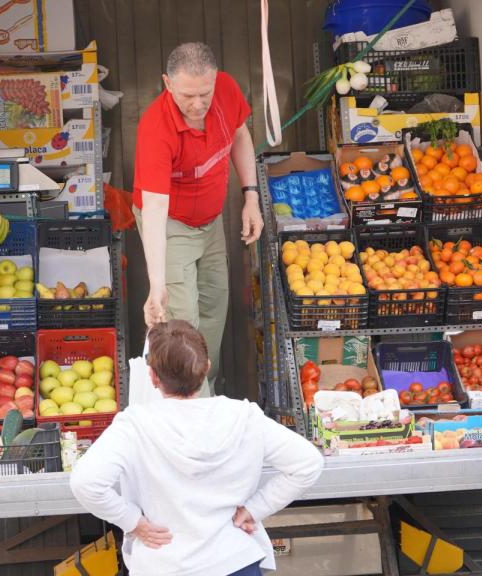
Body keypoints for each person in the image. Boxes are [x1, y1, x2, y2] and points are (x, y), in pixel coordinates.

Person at [70, 320, 324, 576]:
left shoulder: (134, 424)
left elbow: (85, 483)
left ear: (153, 377)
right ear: (206, 370)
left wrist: (133, 522)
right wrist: (255, 509)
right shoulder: (244, 416)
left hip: (164, 564)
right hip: (234, 560)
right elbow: (308, 464)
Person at [133, 42, 264, 396]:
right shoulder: (155, 129)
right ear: (167, 84)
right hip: (170, 225)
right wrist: (156, 283)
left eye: (204, 93)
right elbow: (155, 210)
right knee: (183, 323)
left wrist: (250, 196)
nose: (197, 104)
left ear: (215, 80)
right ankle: (192, 413)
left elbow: (239, 134)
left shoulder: (227, 89)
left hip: (210, 221)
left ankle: (207, 393)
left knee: (213, 314)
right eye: (187, 96)